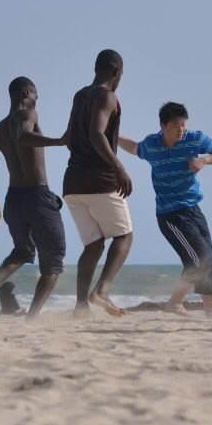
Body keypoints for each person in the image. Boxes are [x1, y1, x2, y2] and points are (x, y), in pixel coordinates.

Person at [118, 102, 212, 318]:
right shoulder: (152, 145)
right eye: (175, 126)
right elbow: (134, 148)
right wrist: (111, 134)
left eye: (183, 125)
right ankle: (174, 303)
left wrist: (205, 159)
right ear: (162, 125)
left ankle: (211, 317)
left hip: (194, 211)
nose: (181, 130)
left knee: (210, 262)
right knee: (200, 259)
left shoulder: (194, 139)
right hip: (170, 215)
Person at [0, 77, 68, 319]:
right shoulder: (28, 113)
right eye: (36, 94)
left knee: (23, 250)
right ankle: (32, 317)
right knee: (53, 262)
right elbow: (23, 137)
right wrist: (59, 141)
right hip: (37, 197)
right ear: (27, 93)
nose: (38, 99)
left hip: (13, 200)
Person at [62, 49, 134, 317]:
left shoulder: (80, 95)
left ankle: (81, 306)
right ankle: (101, 291)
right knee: (124, 236)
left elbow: (69, 136)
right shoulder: (107, 96)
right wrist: (119, 167)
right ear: (117, 72)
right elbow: (96, 133)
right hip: (100, 181)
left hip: (72, 184)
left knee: (93, 245)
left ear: (96, 68)